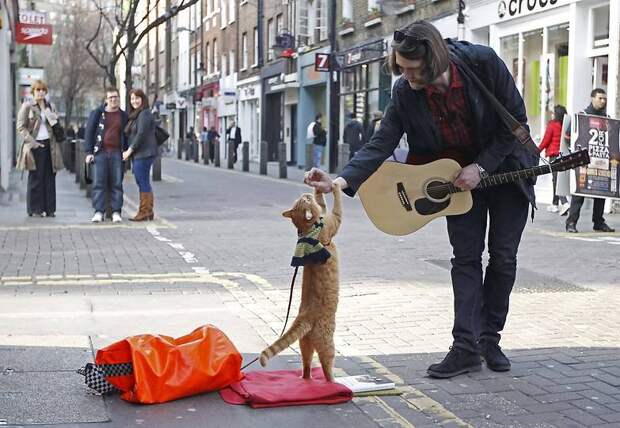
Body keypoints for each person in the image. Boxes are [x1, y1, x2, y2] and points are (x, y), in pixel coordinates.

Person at [305, 20, 540, 379]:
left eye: (414, 70)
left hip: (506, 170)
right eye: (401, 69)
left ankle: (489, 338)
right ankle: (465, 347)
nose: (408, 77)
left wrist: (481, 166)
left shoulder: (483, 63)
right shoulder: (405, 91)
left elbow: (516, 125)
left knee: (504, 258)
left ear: (435, 59)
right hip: (454, 181)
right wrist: (338, 182)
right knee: (465, 259)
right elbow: (382, 141)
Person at [565, 89, 615, 233]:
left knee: (601, 193)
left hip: (602, 161)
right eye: (600, 98)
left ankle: (598, 222)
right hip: (584, 162)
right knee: (579, 192)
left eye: (605, 99)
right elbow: (568, 136)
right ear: (592, 98)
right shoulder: (582, 116)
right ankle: (571, 222)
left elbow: (612, 140)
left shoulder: (608, 120)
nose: (603, 101)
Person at [16, 79, 64, 217]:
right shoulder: (27, 106)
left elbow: (55, 125)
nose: (41, 92)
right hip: (35, 146)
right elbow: (21, 127)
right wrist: (33, 142)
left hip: (50, 146)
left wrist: (54, 117)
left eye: (43, 90)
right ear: (33, 91)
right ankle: (35, 209)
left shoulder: (51, 106)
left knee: (50, 177)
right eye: (38, 90)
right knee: (35, 178)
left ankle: (49, 209)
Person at [84, 87, 128, 223]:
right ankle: (98, 211)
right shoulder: (97, 113)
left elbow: (127, 135)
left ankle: (116, 212)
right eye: (111, 98)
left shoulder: (123, 115)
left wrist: (127, 151)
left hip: (117, 153)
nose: (113, 100)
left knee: (117, 183)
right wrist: (89, 152)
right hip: (100, 153)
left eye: (116, 97)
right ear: (106, 100)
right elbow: (89, 132)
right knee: (98, 183)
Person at [123, 88, 158, 221]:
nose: (134, 101)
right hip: (140, 154)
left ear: (142, 99)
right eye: (132, 99)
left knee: (142, 181)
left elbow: (141, 134)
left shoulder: (144, 114)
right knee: (141, 181)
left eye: (137, 98)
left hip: (144, 153)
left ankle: (144, 211)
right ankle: (148, 211)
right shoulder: (136, 115)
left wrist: (129, 151)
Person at [538, 105, 570, 215]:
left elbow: (546, 141)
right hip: (564, 155)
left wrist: (536, 151)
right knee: (556, 179)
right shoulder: (567, 125)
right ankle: (555, 204)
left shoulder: (552, 125)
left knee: (556, 180)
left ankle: (564, 202)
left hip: (554, 156)